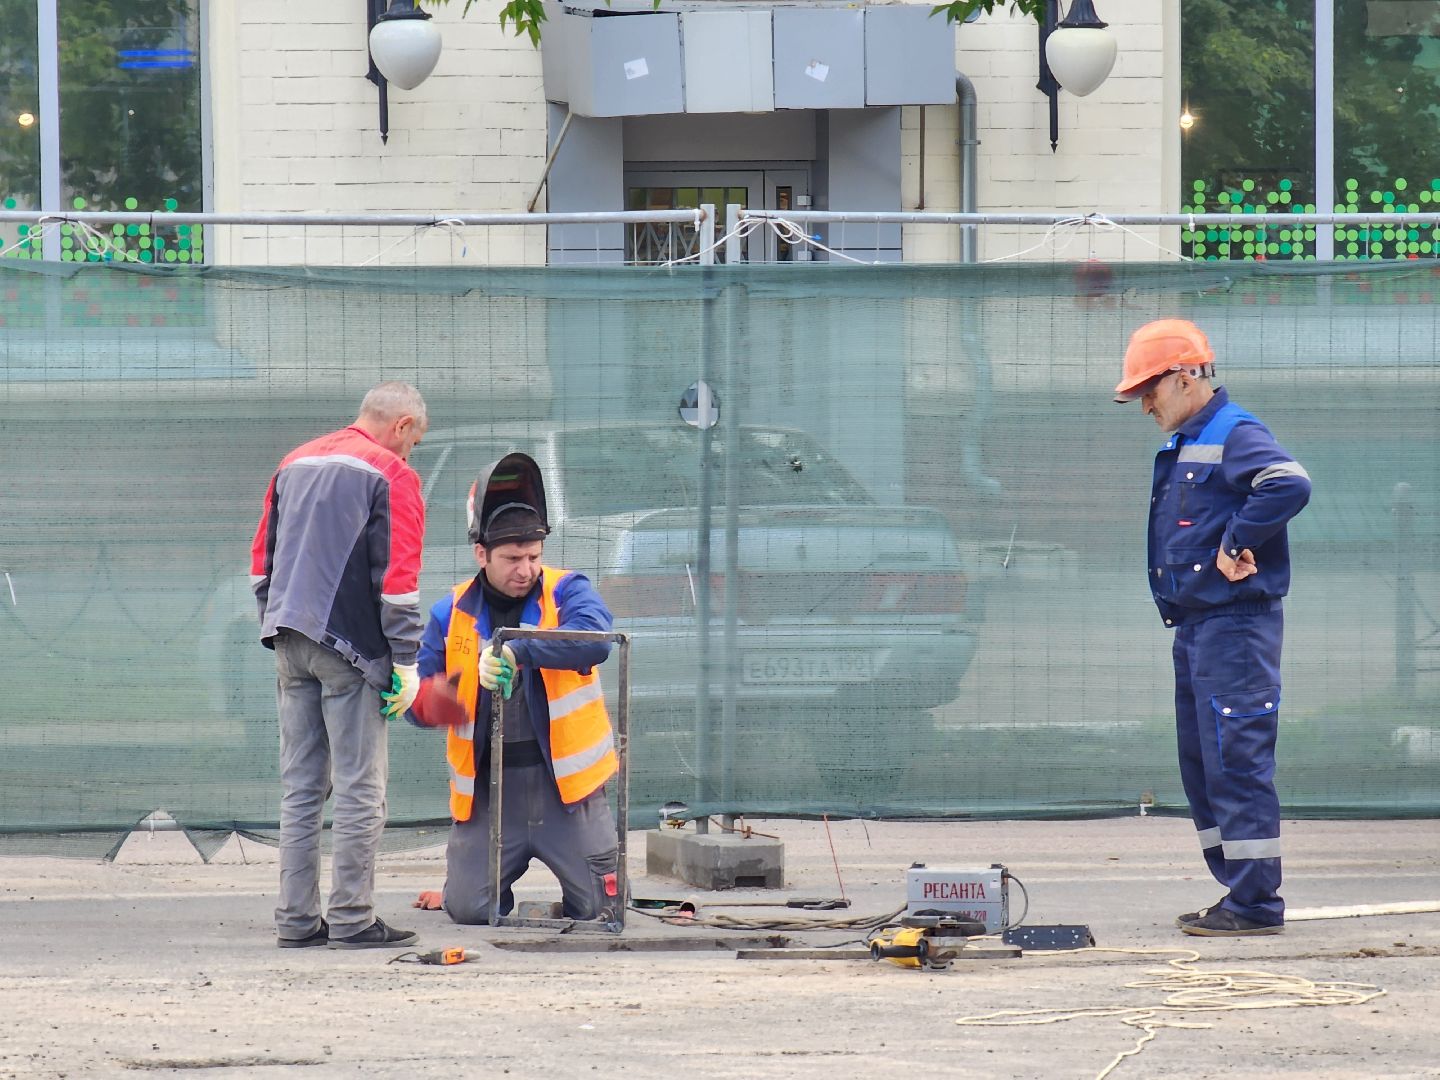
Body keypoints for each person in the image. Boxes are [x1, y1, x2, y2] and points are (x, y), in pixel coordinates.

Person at [1114, 319, 1311, 937]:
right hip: (1199, 627)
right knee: (1203, 762)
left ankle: (1255, 904)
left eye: (1151, 388)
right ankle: (1237, 893)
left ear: (1186, 377)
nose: (1145, 402)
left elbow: (1288, 484)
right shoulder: (1189, 440)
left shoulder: (1233, 431)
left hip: (1235, 629)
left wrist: (1237, 540)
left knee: (1236, 760)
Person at [251, 381, 429, 950]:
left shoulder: (293, 461)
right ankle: (352, 919)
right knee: (360, 790)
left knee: (301, 790)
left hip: (287, 638)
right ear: (402, 425)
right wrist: (406, 661)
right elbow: (398, 582)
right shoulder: (392, 474)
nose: (410, 455)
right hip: (349, 648)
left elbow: (263, 559)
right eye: (414, 442)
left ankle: (296, 922)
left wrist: (274, 622)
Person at [407, 452, 620, 924]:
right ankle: (467, 884)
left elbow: (595, 641)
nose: (525, 569)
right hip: (491, 792)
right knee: (469, 910)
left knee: (603, 910)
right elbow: (418, 700)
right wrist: (447, 694)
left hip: (567, 792)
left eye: (534, 556)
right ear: (481, 554)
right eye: (511, 558)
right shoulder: (450, 612)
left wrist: (518, 650)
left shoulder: (568, 590)